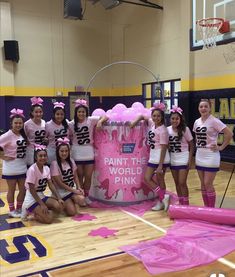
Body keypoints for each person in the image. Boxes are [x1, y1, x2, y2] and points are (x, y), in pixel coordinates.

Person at [130, 102, 170, 211]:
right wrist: (135, 122)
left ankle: (162, 199)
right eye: (154, 115)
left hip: (161, 157)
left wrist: (160, 165)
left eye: (158, 116)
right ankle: (163, 199)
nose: (156, 118)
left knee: (156, 179)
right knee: (149, 179)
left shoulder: (163, 130)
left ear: (162, 117)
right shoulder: (152, 123)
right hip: (153, 156)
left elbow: (164, 147)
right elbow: (143, 116)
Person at [193, 99, 233, 207]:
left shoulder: (214, 120)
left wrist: (221, 147)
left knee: (207, 183)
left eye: (206, 106)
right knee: (202, 184)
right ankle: (206, 208)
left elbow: (229, 133)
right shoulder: (197, 121)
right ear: (198, 108)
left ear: (210, 108)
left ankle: (212, 209)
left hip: (211, 155)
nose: (203, 108)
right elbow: (197, 137)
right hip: (200, 154)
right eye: (201, 106)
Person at [69, 99, 108, 202]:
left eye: (83, 112)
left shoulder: (91, 120)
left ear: (86, 112)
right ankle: (80, 196)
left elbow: (106, 117)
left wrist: (100, 122)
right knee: (79, 175)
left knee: (88, 176)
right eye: (79, 112)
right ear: (76, 113)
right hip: (76, 152)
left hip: (89, 151)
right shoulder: (71, 124)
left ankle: (86, 196)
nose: (81, 113)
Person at [21, 145, 64, 223]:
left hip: (41, 195)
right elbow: (32, 190)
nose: (43, 158)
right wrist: (42, 204)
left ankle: (41, 212)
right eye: (40, 156)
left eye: (44, 156)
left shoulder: (46, 168)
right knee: (49, 219)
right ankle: (31, 211)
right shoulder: (32, 169)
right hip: (31, 198)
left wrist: (59, 198)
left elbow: (50, 184)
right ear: (35, 157)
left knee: (59, 206)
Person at [0, 109, 27, 217]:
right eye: (16, 123)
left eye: (20, 123)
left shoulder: (23, 134)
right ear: (11, 123)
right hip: (11, 167)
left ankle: (19, 209)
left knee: (23, 190)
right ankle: (11, 210)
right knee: (11, 190)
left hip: (22, 165)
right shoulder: (7, 135)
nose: (18, 125)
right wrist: (2, 156)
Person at [50, 137, 86, 216]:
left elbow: (75, 176)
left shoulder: (71, 161)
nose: (64, 153)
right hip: (61, 192)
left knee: (82, 199)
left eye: (66, 151)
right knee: (72, 212)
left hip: (70, 190)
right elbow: (60, 184)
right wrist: (74, 191)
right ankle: (59, 202)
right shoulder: (54, 164)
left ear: (69, 151)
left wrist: (78, 187)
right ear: (58, 152)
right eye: (62, 151)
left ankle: (71, 201)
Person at [167, 105, 194, 205]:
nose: (175, 120)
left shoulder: (185, 129)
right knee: (177, 183)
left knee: (182, 182)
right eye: (173, 118)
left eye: (177, 118)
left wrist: (190, 160)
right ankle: (181, 202)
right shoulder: (167, 130)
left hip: (184, 158)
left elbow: (192, 144)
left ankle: (186, 203)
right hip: (173, 159)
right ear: (170, 119)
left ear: (180, 119)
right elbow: (167, 145)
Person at [24, 97, 46, 166]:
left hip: (42, 151)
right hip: (31, 152)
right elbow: (23, 137)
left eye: (40, 112)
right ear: (32, 113)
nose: (38, 114)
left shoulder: (44, 122)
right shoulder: (27, 124)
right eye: (36, 112)